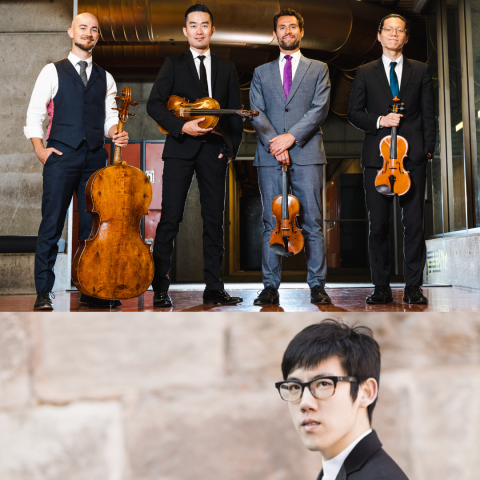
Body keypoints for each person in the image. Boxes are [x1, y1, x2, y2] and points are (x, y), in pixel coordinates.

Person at [24, 12, 129, 311]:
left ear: (98, 36)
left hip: (95, 157)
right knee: (51, 225)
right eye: (83, 28)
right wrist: (41, 150)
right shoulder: (52, 71)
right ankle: (43, 292)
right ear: (71, 32)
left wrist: (115, 134)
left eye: (94, 30)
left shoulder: (105, 77)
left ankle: (91, 289)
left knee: (92, 227)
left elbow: (110, 118)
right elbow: (35, 115)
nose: (88, 33)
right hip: (61, 155)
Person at [146, 4, 244, 308]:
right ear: (185, 31)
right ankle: (160, 287)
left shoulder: (227, 68)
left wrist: (230, 150)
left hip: (215, 151)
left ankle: (214, 287)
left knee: (215, 220)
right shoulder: (172, 64)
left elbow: (236, 114)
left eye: (205, 25)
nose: (199, 30)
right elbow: (155, 105)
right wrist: (181, 126)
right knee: (170, 217)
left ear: (212, 30)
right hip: (179, 150)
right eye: (193, 25)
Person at [347, 14, 436, 305]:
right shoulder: (364, 71)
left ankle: (413, 287)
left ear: (406, 37)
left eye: (400, 31)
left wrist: (427, 150)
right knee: (379, 225)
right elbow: (354, 113)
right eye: (389, 30)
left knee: (415, 224)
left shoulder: (421, 70)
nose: (394, 34)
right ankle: (381, 286)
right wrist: (381, 120)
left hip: (413, 157)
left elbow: (428, 114)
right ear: (379, 35)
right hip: (378, 159)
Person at [250, 8, 331, 306]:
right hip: (270, 156)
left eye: (293, 27)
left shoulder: (319, 68)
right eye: (282, 27)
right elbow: (257, 113)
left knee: (312, 222)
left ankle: (317, 285)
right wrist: (277, 144)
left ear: (301, 32)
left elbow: (319, 109)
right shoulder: (260, 73)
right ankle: (270, 286)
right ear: (275, 34)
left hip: (307, 153)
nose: (288, 31)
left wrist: (291, 138)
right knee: (271, 222)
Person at [276, 319, 409, 480]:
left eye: (323, 383)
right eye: (295, 387)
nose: (305, 403)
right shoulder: (332, 473)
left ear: (366, 392)